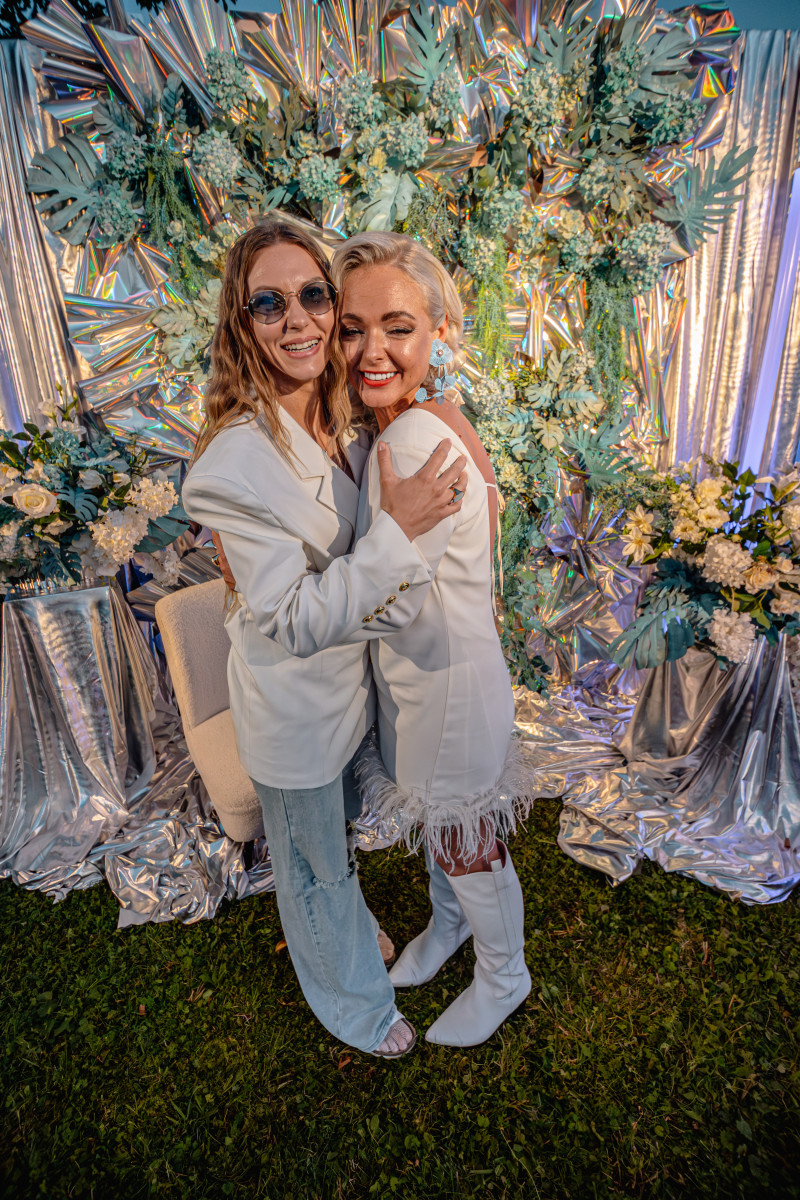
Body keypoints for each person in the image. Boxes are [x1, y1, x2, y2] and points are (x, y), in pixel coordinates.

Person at [180, 219, 468, 1058]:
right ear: (242, 323)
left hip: (351, 695)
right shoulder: (231, 466)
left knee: (336, 841)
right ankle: (356, 1005)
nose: (299, 319)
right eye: (269, 303)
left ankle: (348, 924)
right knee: (313, 870)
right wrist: (399, 533)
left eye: (313, 295)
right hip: (295, 711)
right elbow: (296, 618)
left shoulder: (345, 417)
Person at [332, 232, 532, 1047]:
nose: (371, 351)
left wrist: (320, 604)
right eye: (352, 328)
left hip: (441, 686)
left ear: (440, 331)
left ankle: (505, 974)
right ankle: (448, 927)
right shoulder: (429, 418)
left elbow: (390, 602)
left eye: (398, 327)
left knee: (468, 841)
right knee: (450, 834)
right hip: (443, 674)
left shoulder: (409, 442)